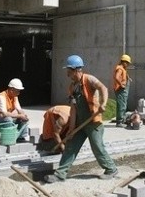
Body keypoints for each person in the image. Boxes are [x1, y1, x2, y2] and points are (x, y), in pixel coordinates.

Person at [44, 55, 118, 183]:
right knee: (71, 147)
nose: (67, 73)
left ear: (76, 69)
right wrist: (72, 129)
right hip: (80, 123)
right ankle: (60, 174)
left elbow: (103, 88)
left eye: (69, 70)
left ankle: (111, 169)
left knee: (97, 147)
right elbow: (73, 109)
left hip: (93, 122)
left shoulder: (89, 79)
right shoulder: (72, 87)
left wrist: (103, 103)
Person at [0, 78, 30, 142]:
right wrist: (20, 116)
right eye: (17, 91)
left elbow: (19, 109)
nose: (19, 93)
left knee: (22, 118)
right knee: (8, 119)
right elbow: (4, 114)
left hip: (4, 120)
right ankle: (8, 139)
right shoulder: (1, 97)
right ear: (11, 90)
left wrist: (23, 116)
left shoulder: (14, 97)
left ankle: (21, 137)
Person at [113, 54, 132, 127]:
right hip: (120, 89)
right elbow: (117, 77)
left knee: (123, 105)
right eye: (127, 63)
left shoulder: (123, 68)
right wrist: (121, 84)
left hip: (122, 90)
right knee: (121, 105)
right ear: (124, 62)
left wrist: (128, 78)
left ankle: (122, 120)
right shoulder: (120, 69)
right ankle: (119, 122)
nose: (128, 65)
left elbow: (124, 75)